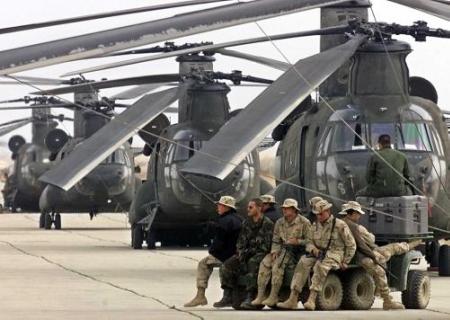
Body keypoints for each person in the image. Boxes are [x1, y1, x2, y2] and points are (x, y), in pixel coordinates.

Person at [338, 201, 421, 310]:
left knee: (388, 251)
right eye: (358, 213)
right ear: (351, 213)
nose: (359, 216)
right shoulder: (354, 227)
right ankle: (387, 301)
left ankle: (406, 246)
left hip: (354, 254)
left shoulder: (339, 223)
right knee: (381, 269)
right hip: (359, 256)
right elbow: (362, 245)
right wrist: (373, 256)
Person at [277, 199, 356, 311]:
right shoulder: (315, 225)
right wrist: (313, 249)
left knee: (320, 266)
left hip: (335, 253)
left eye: (321, 214)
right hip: (318, 252)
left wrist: (346, 261)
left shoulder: (339, 225)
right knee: (303, 262)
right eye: (317, 214)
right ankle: (293, 298)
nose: (319, 216)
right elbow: (309, 242)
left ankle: (312, 299)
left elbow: (351, 245)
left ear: (328, 211)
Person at [214, 198, 274, 309]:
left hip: (260, 253)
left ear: (259, 208)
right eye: (248, 207)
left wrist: (250, 252)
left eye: (251, 207)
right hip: (246, 252)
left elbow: (266, 245)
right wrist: (241, 252)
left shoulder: (267, 224)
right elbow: (241, 241)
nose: (248, 209)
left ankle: (250, 296)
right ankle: (228, 294)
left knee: (252, 263)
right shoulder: (247, 222)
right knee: (226, 266)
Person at [251, 198, 311, 307]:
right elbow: (275, 239)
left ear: (294, 210)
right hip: (282, 249)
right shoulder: (280, 222)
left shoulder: (304, 222)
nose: (284, 210)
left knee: (278, 265)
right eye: (283, 208)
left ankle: (273, 296)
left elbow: (310, 240)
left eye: (287, 208)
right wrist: (274, 250)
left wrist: (298, 241)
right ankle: (260, 295)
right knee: (265, 263)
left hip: (296, 251)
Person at [184, 196, 242, 307]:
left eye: (220, 205)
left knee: (203, 264)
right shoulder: (239, 218)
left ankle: (200, 296)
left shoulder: (225, 221)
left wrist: (212, 251)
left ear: (226, 207)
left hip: (227, 255)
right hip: (236, 253)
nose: (218, 207)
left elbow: (219, 242)